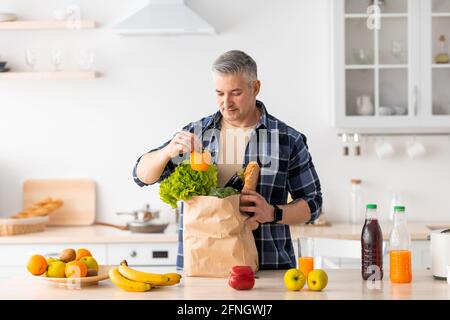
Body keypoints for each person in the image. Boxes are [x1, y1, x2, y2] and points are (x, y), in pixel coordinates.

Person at [133, 50, 322, 270]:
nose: (226, 103)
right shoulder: (197, 134)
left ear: (256, 88)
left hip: (266, 270)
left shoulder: (287, 139)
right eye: (219, 93)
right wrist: (167, 152)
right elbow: (141, 176)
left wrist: (272, 213)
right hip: (201, 268)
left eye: (235, 93)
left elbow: (313, 203)